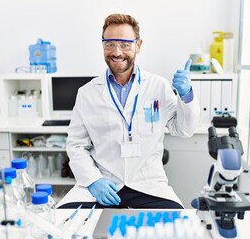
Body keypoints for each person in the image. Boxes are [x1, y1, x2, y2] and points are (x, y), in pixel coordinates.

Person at [57, 13, 200, 209]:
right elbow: (75, 146)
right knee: (64, 223)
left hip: (149, 185)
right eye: (110, 44)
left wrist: (186, 95)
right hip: (103, 184)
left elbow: (184, 130)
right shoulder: (87, 93)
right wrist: (93, 181)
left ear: (138, 45)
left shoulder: (158, 86)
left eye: (125, 44)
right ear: (103, 45)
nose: (117, 52)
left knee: (174, 227)